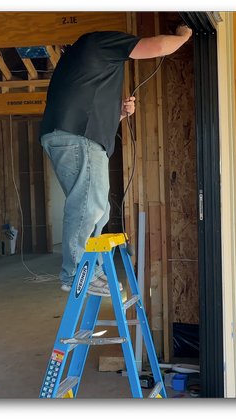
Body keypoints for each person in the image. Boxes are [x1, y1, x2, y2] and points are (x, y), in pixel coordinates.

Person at [40, 24, 192, 296]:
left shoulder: (83, 61)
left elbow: (85, 102)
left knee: (97, 209)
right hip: (78, 136)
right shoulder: (99, 42)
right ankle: (76, 273)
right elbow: (157, 47)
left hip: (71, 135)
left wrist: (117, 113)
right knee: (89, 206)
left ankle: (91, 270)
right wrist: (183, 36)